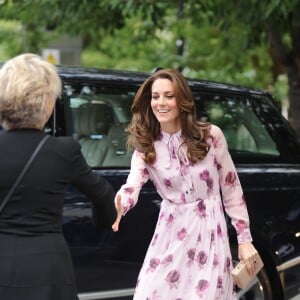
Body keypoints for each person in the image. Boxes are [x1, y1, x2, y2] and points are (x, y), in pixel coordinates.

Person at [112, 69, 259, 299]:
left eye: (169, 96)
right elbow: (132, 185)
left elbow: (231, 188)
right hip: (170, 236)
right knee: (147, 293)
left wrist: (244, 240)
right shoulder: (146, 146)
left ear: (182, 100)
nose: (161, 102)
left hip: (209, 233)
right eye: (155, 96)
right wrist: (123, 202)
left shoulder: (211, 136)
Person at [0, 53, 116, 300]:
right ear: (47, 102)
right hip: (47, 270)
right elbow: (104, 195)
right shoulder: (64, 151)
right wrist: (103, 223)